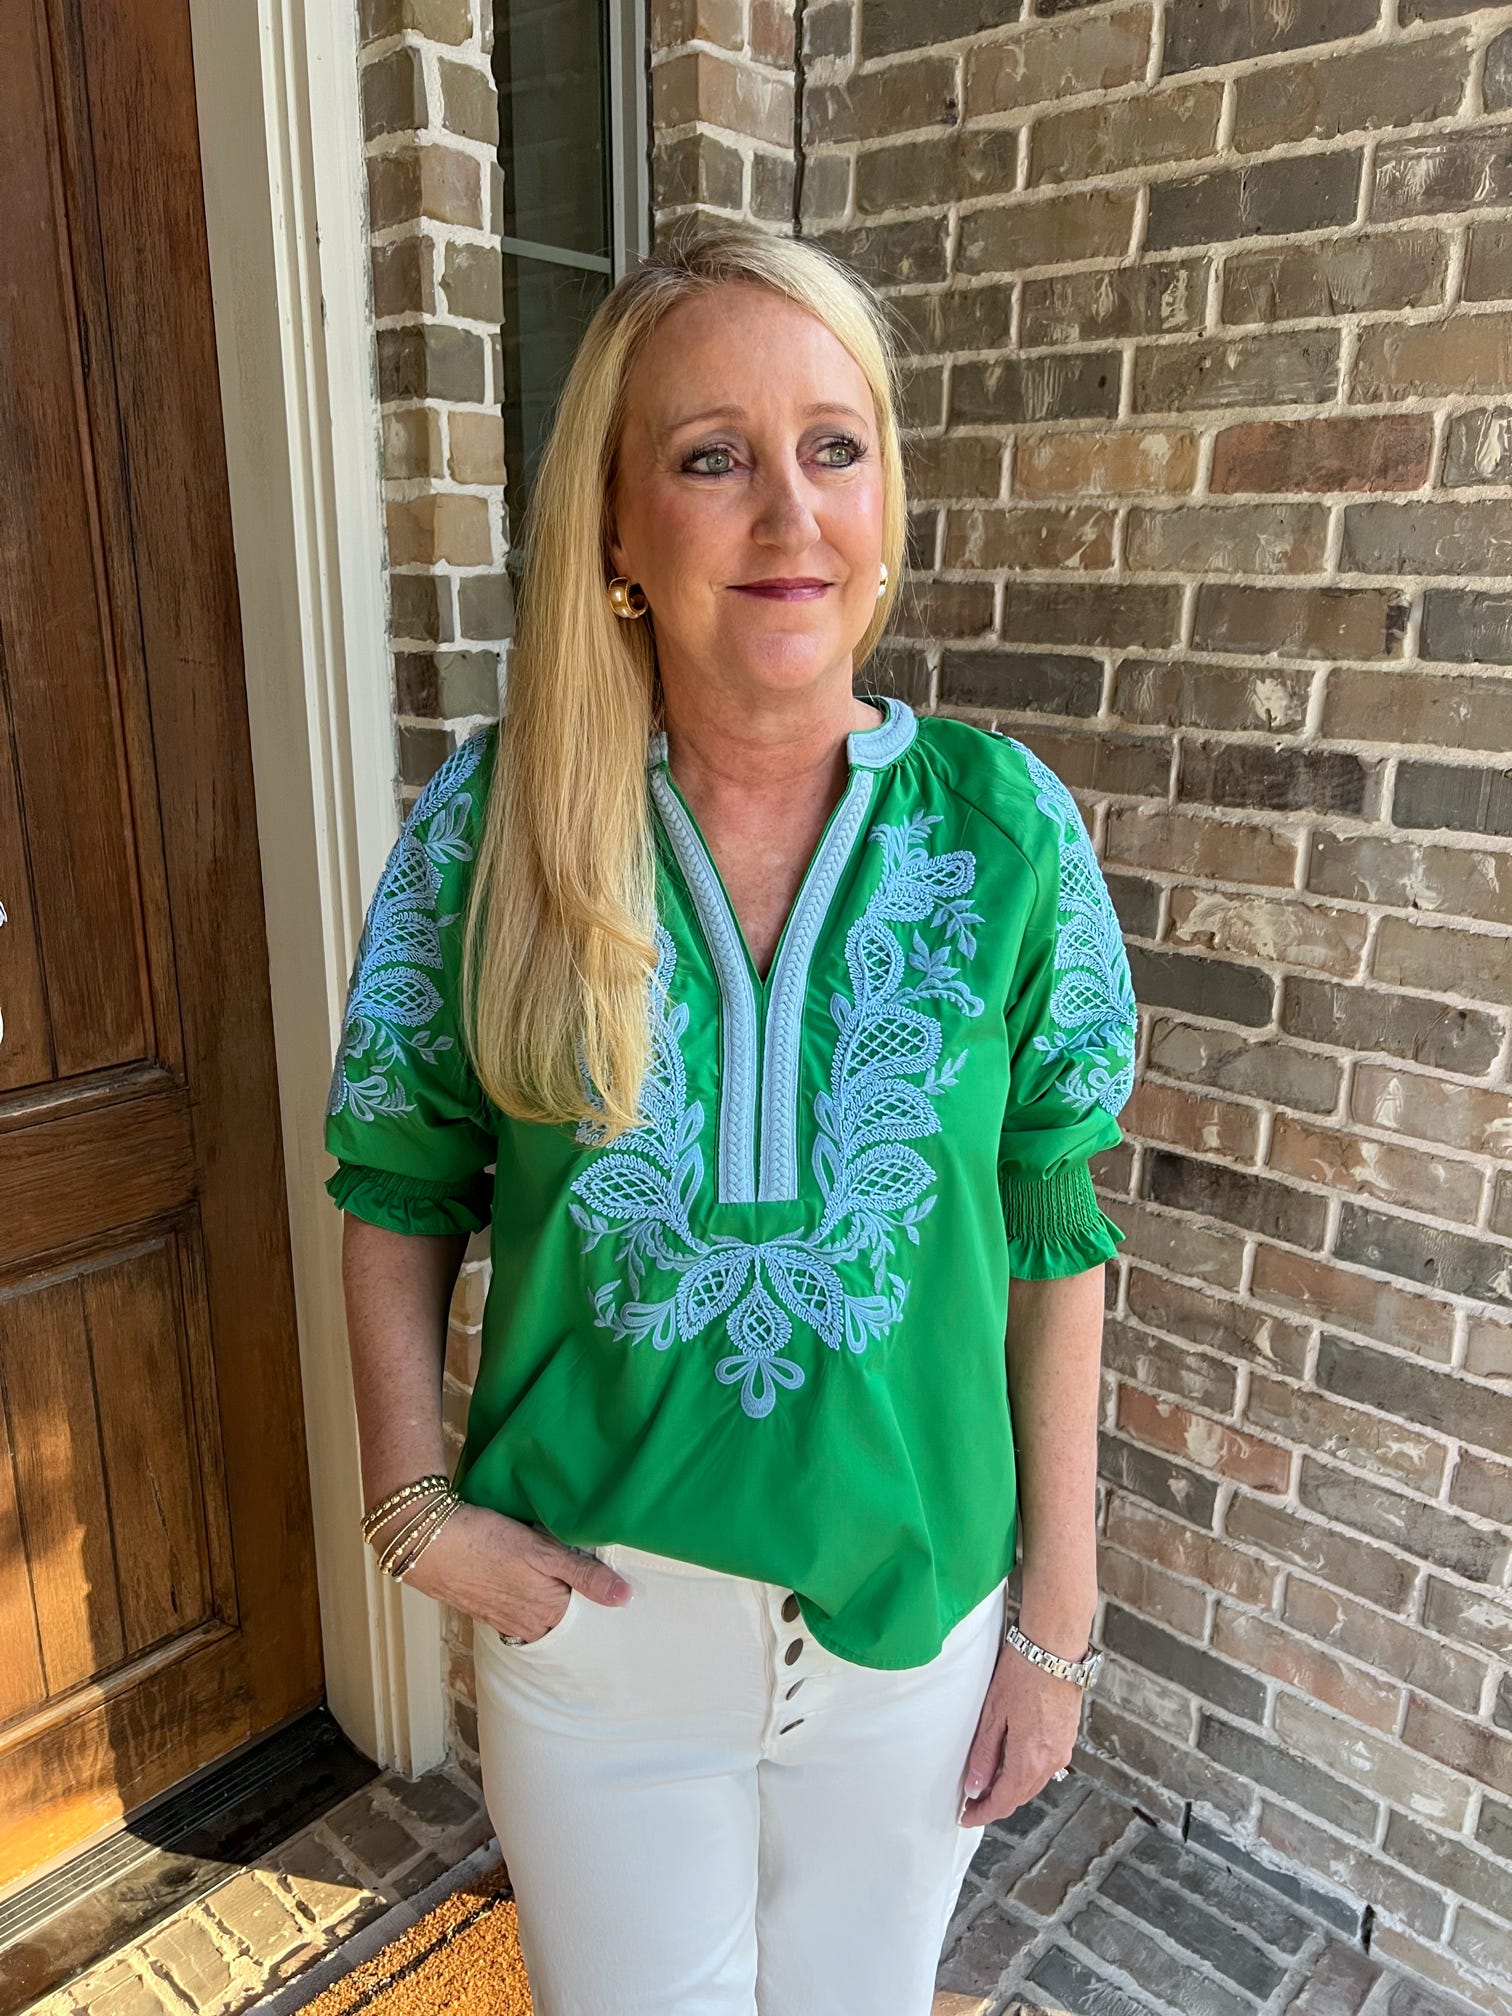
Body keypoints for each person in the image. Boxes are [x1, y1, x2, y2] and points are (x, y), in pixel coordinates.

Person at [324, 220, 1137, 2015]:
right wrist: (407, 1501)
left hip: (908, 1640)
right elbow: (396, 1176)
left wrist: (1055, 1635)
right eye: (713, 458)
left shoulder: (1006, 834)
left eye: (832, 447)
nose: (791, 515)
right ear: (618, 532)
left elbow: (1054, 1229)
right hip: (597, 1647)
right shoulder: (499, 829)